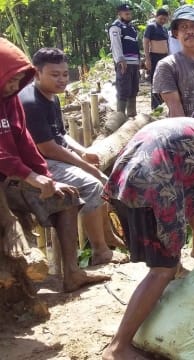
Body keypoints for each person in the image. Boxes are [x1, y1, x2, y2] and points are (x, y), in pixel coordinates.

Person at [101, 96, 194, 360]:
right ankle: (118, 347)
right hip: (153, 189)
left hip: (122, 186)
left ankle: (155, 311)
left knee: (167, 265)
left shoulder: (188, 132)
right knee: (162, 270)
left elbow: (188, 202)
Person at [0, 37, 109, 292]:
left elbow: (24, 140)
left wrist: (46, 175)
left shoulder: (11, 99)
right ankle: (11, 229)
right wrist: (30, 176)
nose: (14, 87)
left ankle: (72, 273)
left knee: (68, 196)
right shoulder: (28, 99)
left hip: (13, 178)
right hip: (8, 180)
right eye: (10, 80)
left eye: (19, 82)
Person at [19, 47, 128, 266]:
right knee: (92, 184)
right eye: (55, 75)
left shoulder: (51, 96)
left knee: (101, 180)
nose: (62, 80)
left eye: (65, 74)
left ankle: (106, 234)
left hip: (52, 155)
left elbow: (61, 134)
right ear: (37, 73)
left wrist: (83, 151)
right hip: (36, 164)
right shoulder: (31, 102)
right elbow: (47, 148)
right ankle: (100, 250)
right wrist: (88, 167)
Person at [108, 3, 140, 117]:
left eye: (129, 12)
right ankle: (120, 117)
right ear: (119, 14)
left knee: (134, 89)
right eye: (126, 13)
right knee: (123, 90)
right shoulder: (116, 27)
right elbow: (116, 45)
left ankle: (132, 115)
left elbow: (135, 45)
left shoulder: (132, 28)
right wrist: (120, 59)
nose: (128, 14)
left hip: (134, 63)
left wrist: (139, 61)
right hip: (124, 63)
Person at [143, 8, 169, 110]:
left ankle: (162, 103)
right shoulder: (151, 27)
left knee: (164, 81)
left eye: (165, 19)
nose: (163, 21)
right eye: (161, 18)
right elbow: (145, 42)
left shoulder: (164, 29)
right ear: (156, 17)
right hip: (154, 57)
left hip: (164, 58)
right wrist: (147, 59)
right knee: (155, 81)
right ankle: (155, 106)